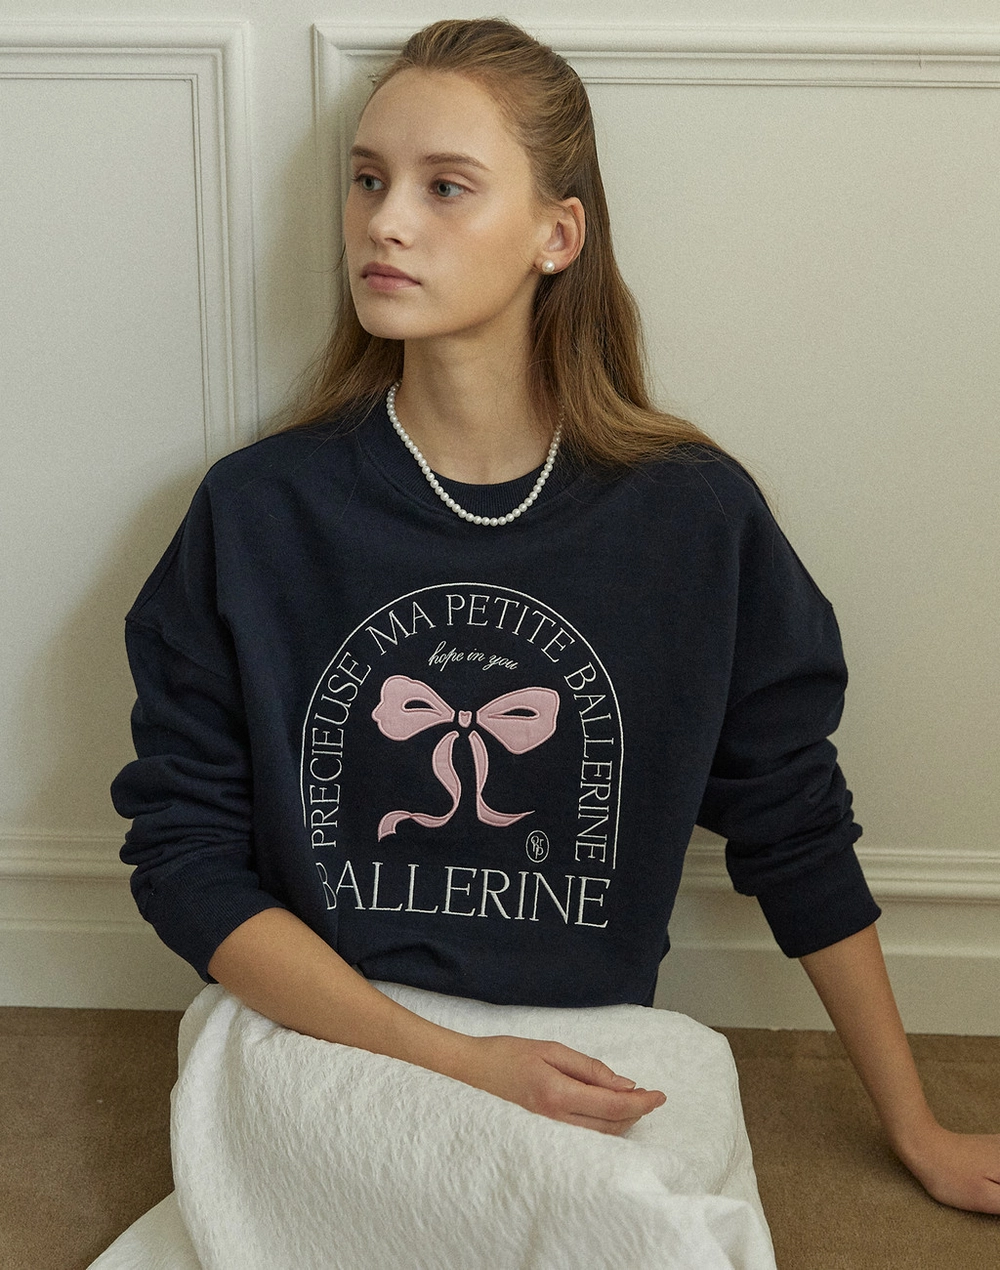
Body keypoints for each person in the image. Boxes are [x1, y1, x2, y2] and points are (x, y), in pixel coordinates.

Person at [112, 17, 999, 1211]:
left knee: (625, 1205)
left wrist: (917, 1125)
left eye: (444, 186)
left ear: (556, 234)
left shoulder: (692, 519)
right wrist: (457, 1061)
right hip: (319, 1032)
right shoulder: (257, 512)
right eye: (367, 180)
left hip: (584, 1040)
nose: (384, 221)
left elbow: (793, 822)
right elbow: (185, 859)